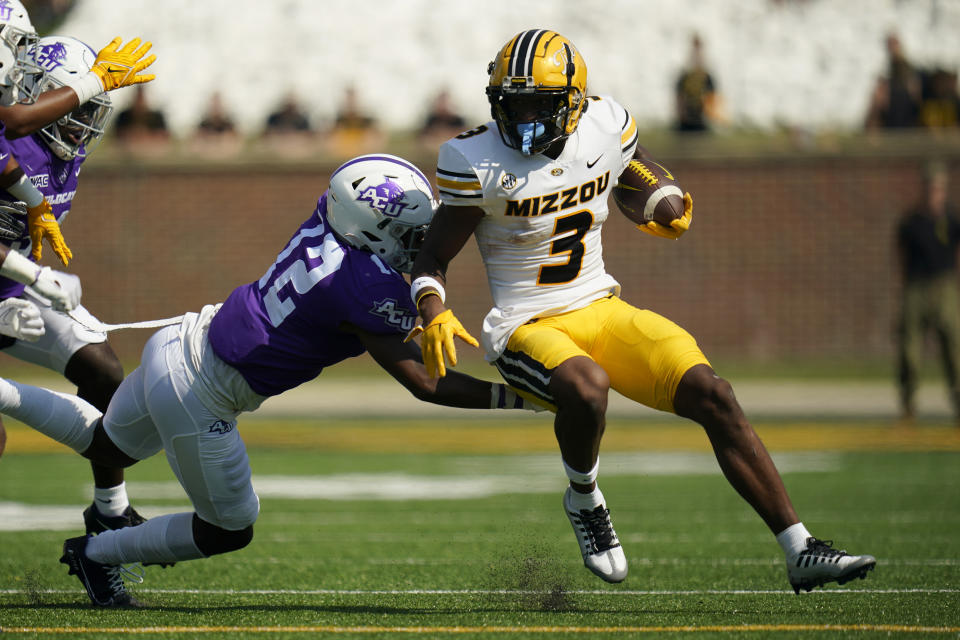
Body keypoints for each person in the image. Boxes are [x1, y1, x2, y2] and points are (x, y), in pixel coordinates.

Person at [408, 28, 876, 593]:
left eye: (539, 105)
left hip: (599, 305)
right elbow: (433, 255)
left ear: (574, 104)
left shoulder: (606, 126)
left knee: (715, 394)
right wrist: (432, 308)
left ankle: (800, 548)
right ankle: (585, 498)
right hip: (524, 325)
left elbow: (630, 169)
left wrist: (660, 197)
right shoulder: (474, 159)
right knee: (588, 386)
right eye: (515, 105)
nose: (525, 119)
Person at [0, 153, 540, 607]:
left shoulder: (329, 221)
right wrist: (519, 400)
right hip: (202, 394)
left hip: (180, 341)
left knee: (105, 444)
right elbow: (423, 383)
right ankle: (94, 555)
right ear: (372, 226)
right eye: (407, 233)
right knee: (229, 529)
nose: (415, 244)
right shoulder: (365, 285)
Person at [895, 160, 960, 422]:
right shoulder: (911, 222)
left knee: (954, 347)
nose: (935, 193)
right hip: (917, 286)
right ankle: (908, 402)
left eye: (940, 188)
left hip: (944, 285)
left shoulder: (952, 219)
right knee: (910, 350)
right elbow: (899, 256)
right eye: (931, 187)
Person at [865, 32, 922, 130]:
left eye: (894, 44)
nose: (893, 49)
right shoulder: (884, 76)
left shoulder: (911, 72)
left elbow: (917, 99)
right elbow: (877, 106)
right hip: (891, 126)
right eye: (890, 45)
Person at [674, 33, 718, 132]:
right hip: (686, 124)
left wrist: (710, 116)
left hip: (702, 123)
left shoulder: (706, 77)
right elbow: (679, 97)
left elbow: (712, 98)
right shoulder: (685, 76)